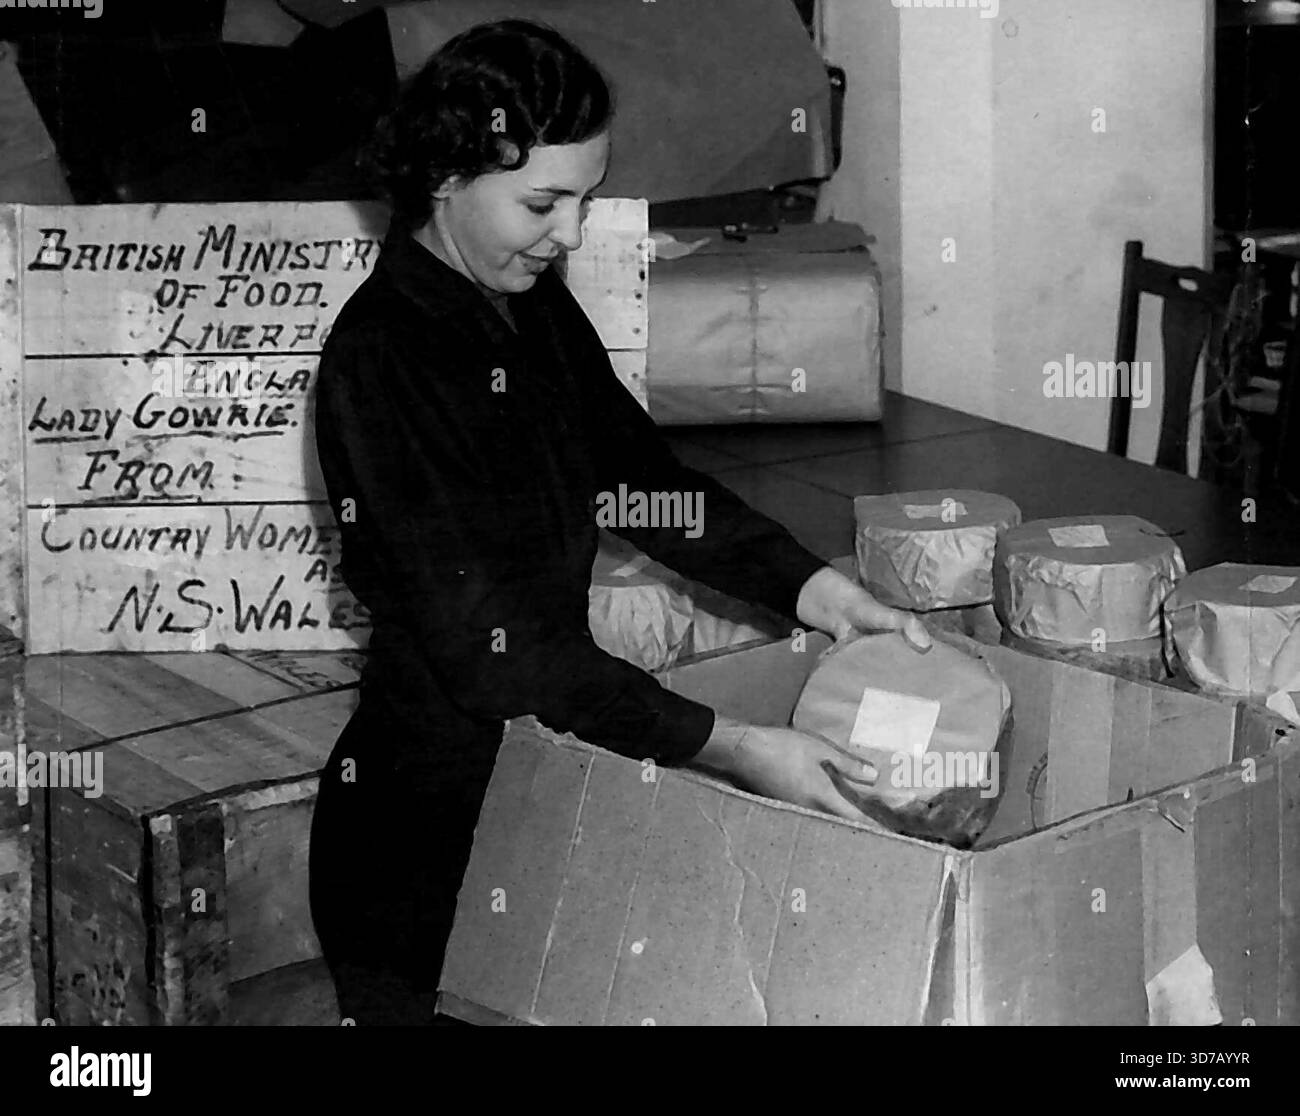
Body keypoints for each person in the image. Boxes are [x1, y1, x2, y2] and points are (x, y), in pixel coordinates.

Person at [308, 18, 931, 1026]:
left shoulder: (530, 308)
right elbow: (498, 656)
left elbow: (641, 484)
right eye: (543, 203)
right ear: (444, 180)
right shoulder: (383, 365)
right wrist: (730, 744)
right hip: (420, 839)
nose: (570, 234)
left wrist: (817, 587)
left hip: (540, 785)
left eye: (584, 200)